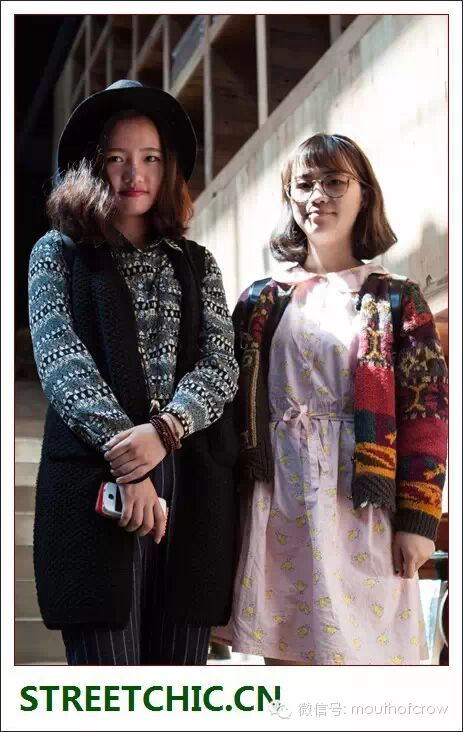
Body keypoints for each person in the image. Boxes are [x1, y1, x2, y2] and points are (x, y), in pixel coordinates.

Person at [28, 80, 239, 665]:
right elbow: (62, 364)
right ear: (93, 166)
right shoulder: (58, 252)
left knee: (179, 684)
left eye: (150, 158)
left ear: (168, 169)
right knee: (109, 683)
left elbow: (221, 364)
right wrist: (132, 461)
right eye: (116, 158)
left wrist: (165, 431)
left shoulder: (196, 263)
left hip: (190, 489)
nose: (134, 174)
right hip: (96, 482)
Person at [217, 133, 448, 665]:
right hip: (275, 502)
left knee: (361, 662)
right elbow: (231, 410)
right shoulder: (258, 300)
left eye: (335, 182)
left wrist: (418, 519)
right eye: (304, 184)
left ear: (363, 194)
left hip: (361, 504)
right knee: (283, 662)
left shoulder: (396, 296)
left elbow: (427, 412)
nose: (318, 195)